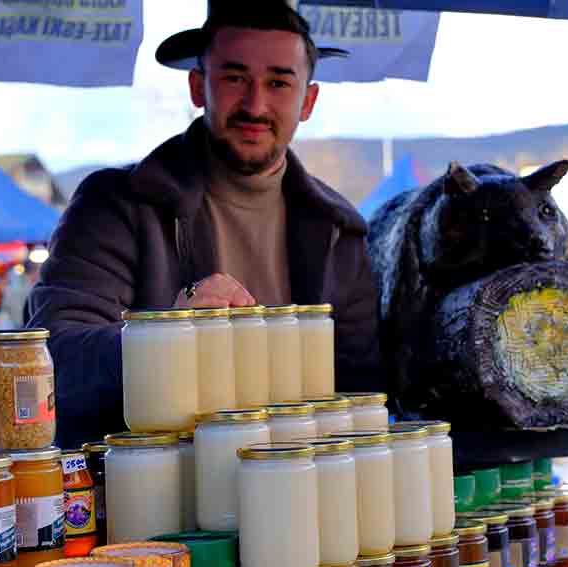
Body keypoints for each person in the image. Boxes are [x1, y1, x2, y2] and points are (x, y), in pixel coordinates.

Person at [27, 1, 382, 449]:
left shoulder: (340, 231)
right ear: (199, 87)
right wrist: (163, 340)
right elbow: (51, 366)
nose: (255, 104)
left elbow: (361, 395)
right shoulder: (115, 206)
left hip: (294, 497)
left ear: (307, 101)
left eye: (278, 83)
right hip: (147, 507)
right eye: (235, 78)